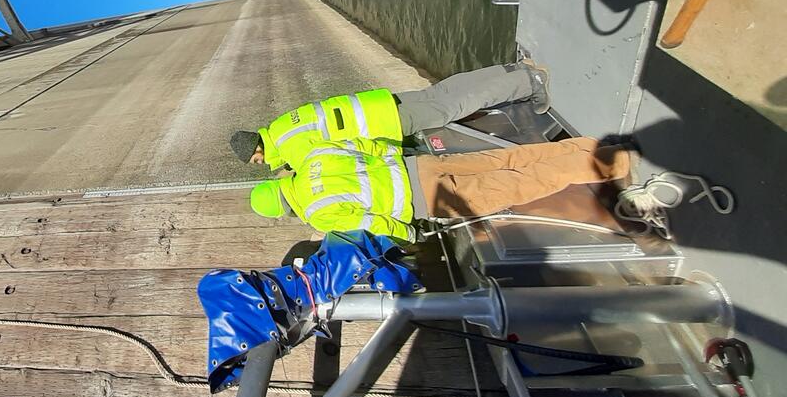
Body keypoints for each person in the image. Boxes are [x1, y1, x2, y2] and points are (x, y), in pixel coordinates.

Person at [248, 136, 630, 240]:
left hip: (428, 201)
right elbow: (366, 145)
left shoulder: (318, 213)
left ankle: (614, 161)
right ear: (279, 182)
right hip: (420, 165)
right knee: (505, 159)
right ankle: (584, 146)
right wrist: (396, 155)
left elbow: (373, 223)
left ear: (285, 210)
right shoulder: (313, 157)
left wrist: (409, 233)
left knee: (520, 185)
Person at [228, 62, 550, 171]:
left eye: (254, 161)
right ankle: (510, 71)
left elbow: (342, 158)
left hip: (387, 124)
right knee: (445, 92)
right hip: (381, 104)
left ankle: (528, 81)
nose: (259, 165)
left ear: (257, 150)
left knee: (455, 106)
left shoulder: (292, 151)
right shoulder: (283, 127)